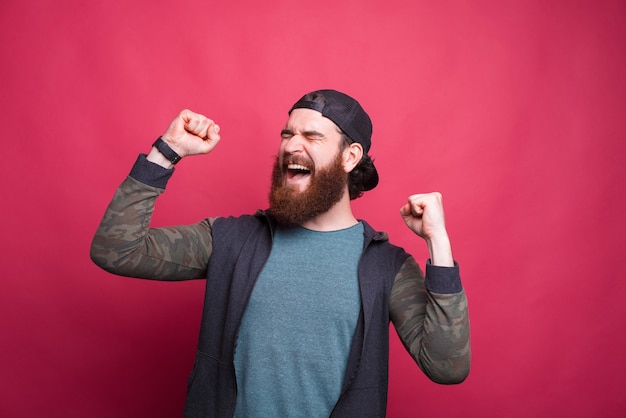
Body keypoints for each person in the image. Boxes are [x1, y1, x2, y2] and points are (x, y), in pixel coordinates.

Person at [90, 89, 470, 417]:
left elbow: (446, 366)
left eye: (311, 136)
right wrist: (166, 152)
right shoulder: (232, 240)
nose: (291, 145)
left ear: (350, 157)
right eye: (287, 133)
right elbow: (116, 249)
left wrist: (438, 242)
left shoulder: (386, 267)